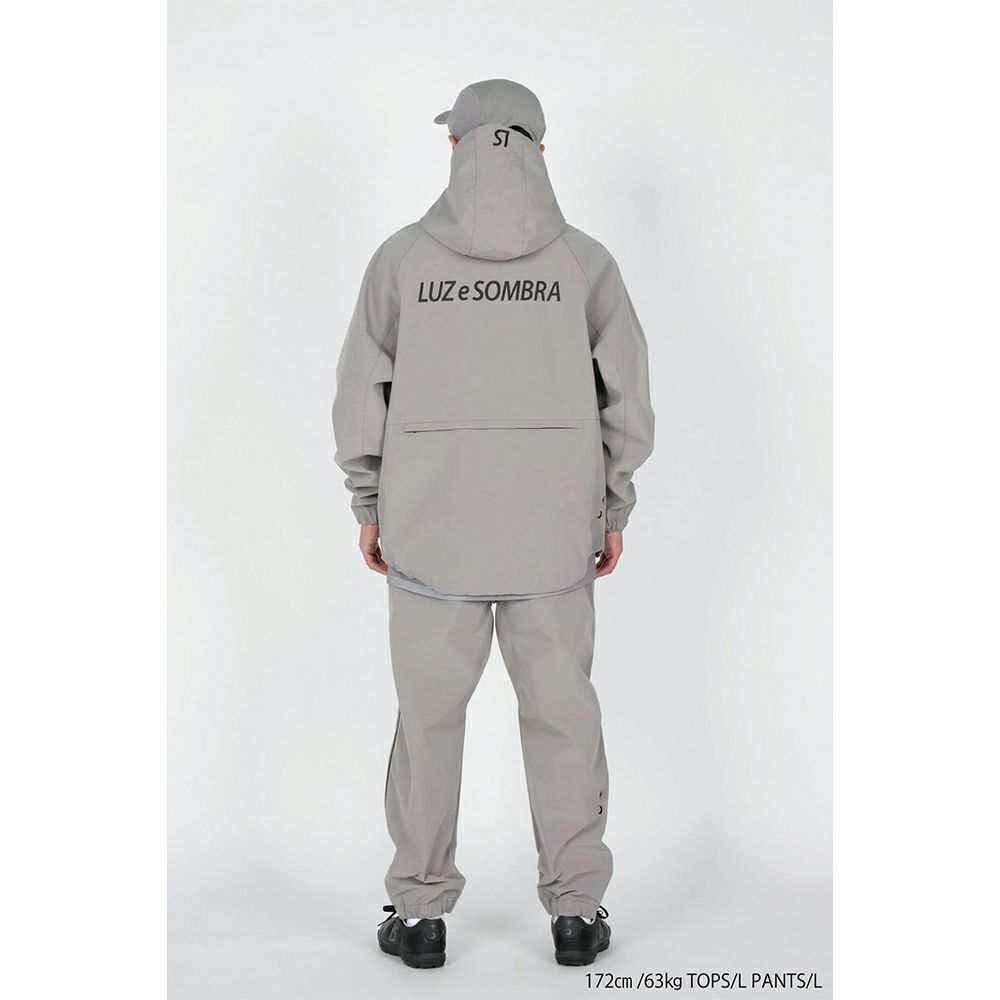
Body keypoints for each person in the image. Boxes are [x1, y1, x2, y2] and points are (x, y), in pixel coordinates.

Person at [332, 79, 654, 969]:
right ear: (540, 150)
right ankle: (576, 912)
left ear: (456, 148)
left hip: (430, 530)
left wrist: (370, 502)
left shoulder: (401, 260)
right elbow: (628, 397)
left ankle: (421, 916)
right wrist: (611, 505)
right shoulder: (584, 264)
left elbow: (360, 394)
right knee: (563, 717)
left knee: (428, 721)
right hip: (552, 533)